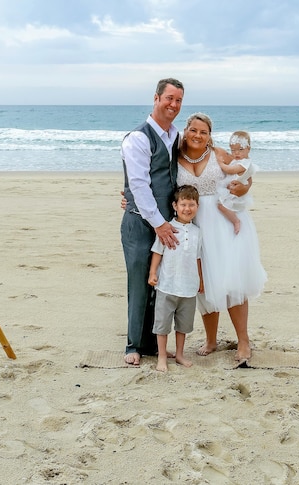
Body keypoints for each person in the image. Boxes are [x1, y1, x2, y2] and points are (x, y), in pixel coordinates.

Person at [176, 113, 267, 362]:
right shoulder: (174, 157)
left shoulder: (219, 154)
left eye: (203, 132)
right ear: (186, 131)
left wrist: (246, 188)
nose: (197, 135)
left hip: (223, 223)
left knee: (231, 281)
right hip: (193, 225)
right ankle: (211, 339)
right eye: (193, 130)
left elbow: (243, 175)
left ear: (210, 135)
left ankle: (244, 341)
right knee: (203, 283)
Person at [120, 78, 184, 366]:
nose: (173, 105)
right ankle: (133, 346)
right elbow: (139, 185)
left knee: (158, 284)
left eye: (179, 100)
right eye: (169, 98)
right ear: (156, 98)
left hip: (164, 223)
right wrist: (159, 223)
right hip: (139, 223)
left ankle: (149, 343)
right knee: (139, 285)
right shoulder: (138, 138)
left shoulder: (175, 136)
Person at [148, 185, 204, 372]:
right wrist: (153, 273)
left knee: (183, 325)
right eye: (183, 204)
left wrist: (200, 281)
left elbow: (197, 258)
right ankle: (162, 356)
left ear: (197, 206)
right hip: (167, 285)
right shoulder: (168, 228)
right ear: (175, 206)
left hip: (188, 288)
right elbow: (158, 252)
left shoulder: (197, 232)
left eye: (192, 204)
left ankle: (179, 354)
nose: (187, 209)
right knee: (162, 324)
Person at [216, 130, 257, 235]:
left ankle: (235, 221)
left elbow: (230, 170)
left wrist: (220, 163)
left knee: (221, 206)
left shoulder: (244, 163)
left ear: (249, 149)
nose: (236, 153)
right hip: (230, 187)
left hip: (233, 192)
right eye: (233, 150)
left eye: (240, 149)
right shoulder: (238, 160)